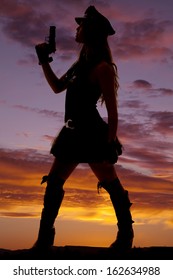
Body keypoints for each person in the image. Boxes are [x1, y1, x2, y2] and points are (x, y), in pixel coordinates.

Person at [34, 6, 134, 251]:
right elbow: (57, 87)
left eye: (81, 26)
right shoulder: (80, 65)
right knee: (55, 183)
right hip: (71, 133)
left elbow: (112, 112)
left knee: (112, 185)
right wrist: (43, 60)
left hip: (92, 134)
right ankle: (44, 240)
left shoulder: (103, 68)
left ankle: (125, 238)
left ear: (90, 32)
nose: (76, 29)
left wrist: (110, 142)